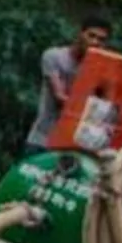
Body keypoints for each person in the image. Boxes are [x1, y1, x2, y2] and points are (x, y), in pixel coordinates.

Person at [28, 15, 112, 151]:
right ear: (80, 34)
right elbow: (60, 97)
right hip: (43, 140)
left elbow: (105, 105)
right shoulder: (54, 56)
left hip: (74, 145)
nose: (95, 42)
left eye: (101, 40)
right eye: (91, 36)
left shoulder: (101, 70)